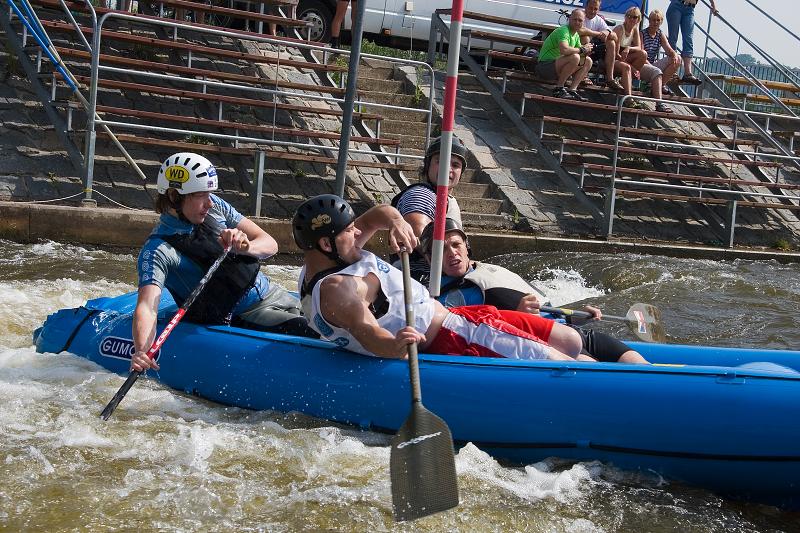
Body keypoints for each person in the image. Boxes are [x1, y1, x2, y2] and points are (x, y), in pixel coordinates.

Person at [294, 194, 589, 361]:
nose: (358, 232)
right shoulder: (339, 291)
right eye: (349, 231)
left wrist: (397, 221)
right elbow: (368, 333)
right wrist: (397, 344)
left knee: (571, 340)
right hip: (451, 336)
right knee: (558, 360)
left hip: (460, 317)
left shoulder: (330, 257)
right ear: (325, 244)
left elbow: (376, 215)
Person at [130, 152, 314, 373]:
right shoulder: (158, 251)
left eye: (209, 194)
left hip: (272, 292)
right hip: (243, 314)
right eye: (200, 195)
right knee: (311, 330)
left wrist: (246, 247)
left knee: (331, 319)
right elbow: (147, 307)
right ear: (174, 196)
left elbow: (270, 244)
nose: (209, 202)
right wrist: (142, 351)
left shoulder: (214, 205)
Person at [417, 219, 649, 364]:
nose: (451, 253)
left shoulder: (490, 270)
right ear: (429, 259)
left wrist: (578, 314)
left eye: (456, 245)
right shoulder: (437, 301)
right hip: (541, 345)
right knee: (587, 362)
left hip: (568, 331)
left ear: (466, 247)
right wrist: (520, 316)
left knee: (639, 365)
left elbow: (548, 306)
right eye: (441, 249)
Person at [391, 135, 467, 277]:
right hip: (419, 279)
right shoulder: (422, 194)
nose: (448, 169)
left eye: (455, 165)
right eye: (441, 161)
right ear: (428, 165)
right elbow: (420, 235)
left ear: (461, 173)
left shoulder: (444, 198)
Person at [614, 7, 672, 113]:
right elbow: (618, 53)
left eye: (635, 17)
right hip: (627, 61)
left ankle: (658, 98)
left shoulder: (658, 33)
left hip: (640, 63)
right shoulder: (637, 32)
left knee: (672, 61)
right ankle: (650, 91)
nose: (632, 19)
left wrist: (675, 56)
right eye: (629, 16)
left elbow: (668, 49)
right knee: (646, 61)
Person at [535, 9, 593, 101]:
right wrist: (582, 49)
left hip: (557, 67)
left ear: (583, 22)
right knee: (575, 57)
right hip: (544, 67)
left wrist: (587, 50)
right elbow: (564, 50)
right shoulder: (563, 31)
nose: (577, 22)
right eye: (575, 19)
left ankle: (572, 90)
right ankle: (559, 89)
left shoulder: (576, 35)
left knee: (588, 60)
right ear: (569, 19)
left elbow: (581, 53)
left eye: (580, 20)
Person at [579, 0, 628, 93]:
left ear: (599, 9)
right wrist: (598, 33)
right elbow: (581, 30)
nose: (592, 11)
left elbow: (614, 36)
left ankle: (610, 79)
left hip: (592, 51)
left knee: (611, 43)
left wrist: (607, 32)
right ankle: (582, 75)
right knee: (585, 39)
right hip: (578, 49)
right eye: (590, 8)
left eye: (595, 9)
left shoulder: (598, 19)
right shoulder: (580, 15)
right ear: (586, 6)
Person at [666, 0, 718, 85]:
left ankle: (687, 73)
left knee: (688, 39)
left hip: (690, 9)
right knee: (673, 38)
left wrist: (713, 5)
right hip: (677, 5)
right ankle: (672, 70)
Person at [641, 9, 681, 95]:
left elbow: (668, 49)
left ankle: (661, 85)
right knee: (655, 70)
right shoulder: (642, 33)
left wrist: (674, 54)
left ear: (661, 21)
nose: (656, 22)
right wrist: (652, 67)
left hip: (652, 65)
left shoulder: (660, 34)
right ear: (649, 21)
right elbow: (641, 55)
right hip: (642, 64)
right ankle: (656, 88)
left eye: (658, 20)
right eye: (653, 20)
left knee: (678, 59)